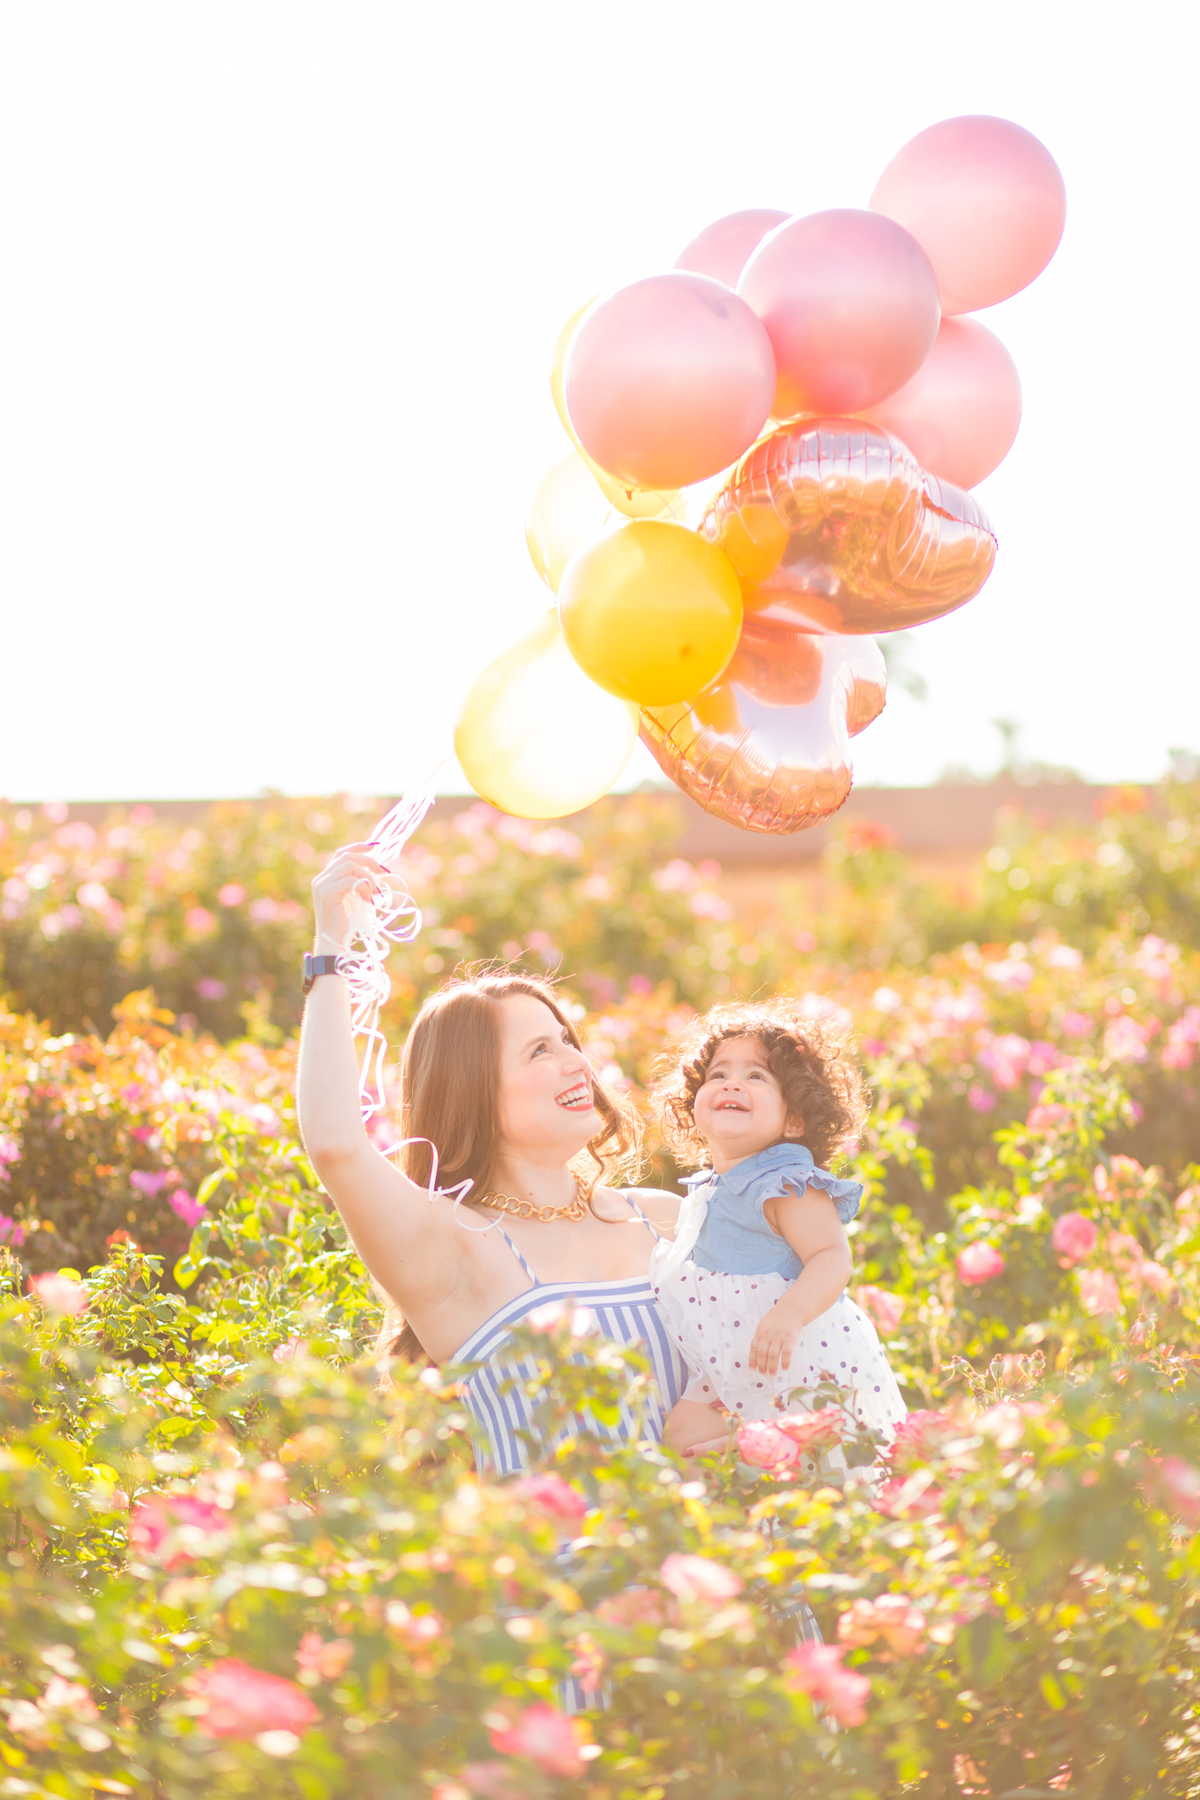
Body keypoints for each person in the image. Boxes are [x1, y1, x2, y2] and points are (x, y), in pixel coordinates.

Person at [295, 843, 688, 1476]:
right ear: (472, 1089)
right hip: (562, 1572)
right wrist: (328, 948)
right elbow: (336, 1143)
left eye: (569, 1041)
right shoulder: (451, 1244)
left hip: (720, 1558)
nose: (576, 1063)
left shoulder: (664, 1220)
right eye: (539, 1051)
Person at [648, 1002, 907, 1463]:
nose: (732, 1083)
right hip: (739, 1360)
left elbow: (831, 1256)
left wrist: (789, 1313)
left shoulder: (785, 1182)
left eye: (756, 1077)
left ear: (794, 1121)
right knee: (683, 1435)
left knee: (808, 1468)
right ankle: (743, 1479)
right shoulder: (711, 1189)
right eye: (717, 1075)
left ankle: (764, 1459)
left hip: (797, 1361)